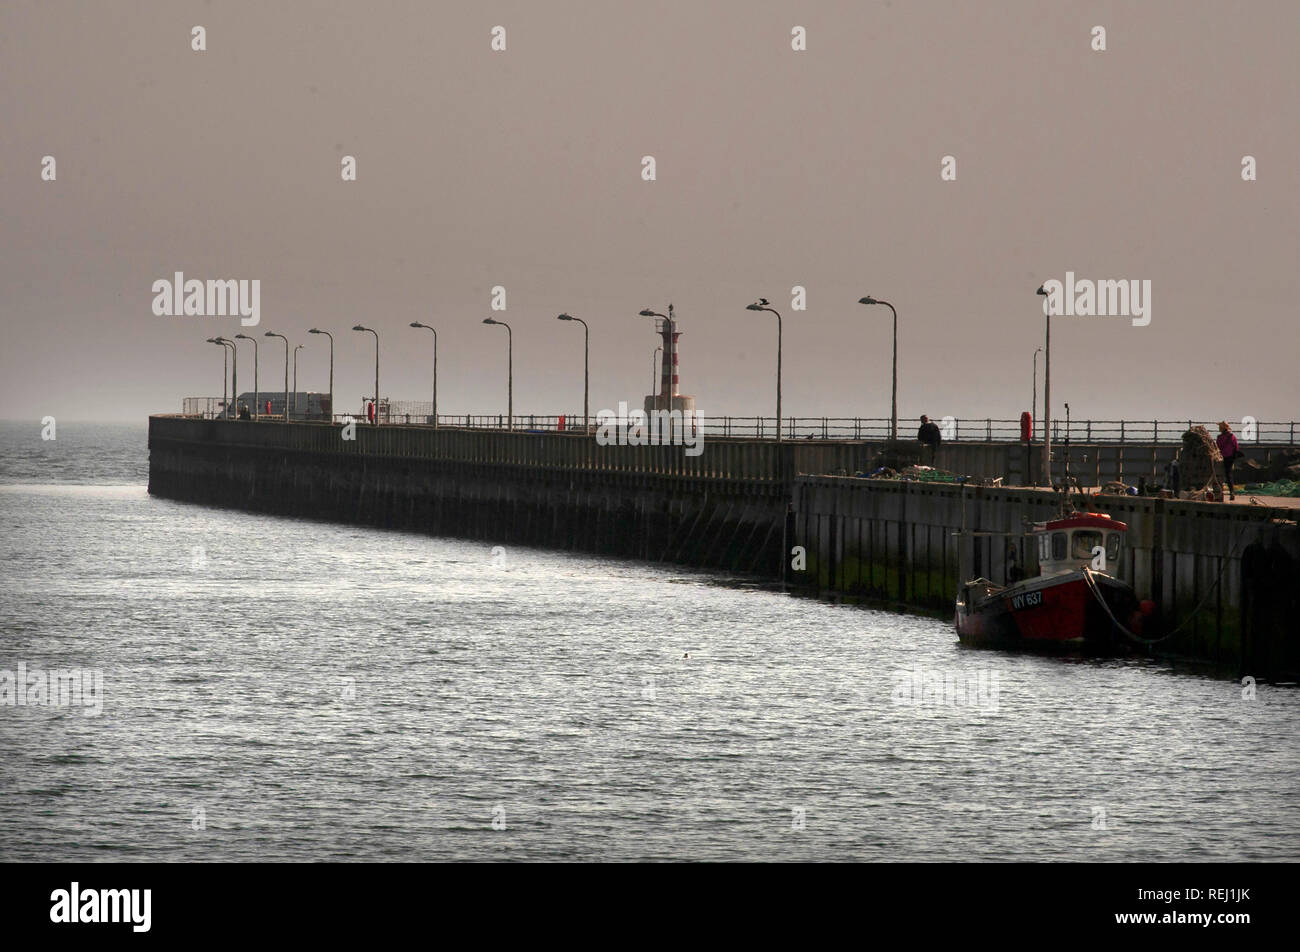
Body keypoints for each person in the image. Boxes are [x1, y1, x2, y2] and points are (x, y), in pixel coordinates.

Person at [1216, 421, 1240, 501]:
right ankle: (1232, 492)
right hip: (1230, 458)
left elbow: (1217, 448)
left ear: (1222, 428)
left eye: (1220, 426)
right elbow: (1236, 447)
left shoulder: (1219, 437)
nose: (1219, 428)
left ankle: (1219, 493)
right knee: (1228, 474)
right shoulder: (1232, 436)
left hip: (1222, 458)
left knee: (1219, 475)